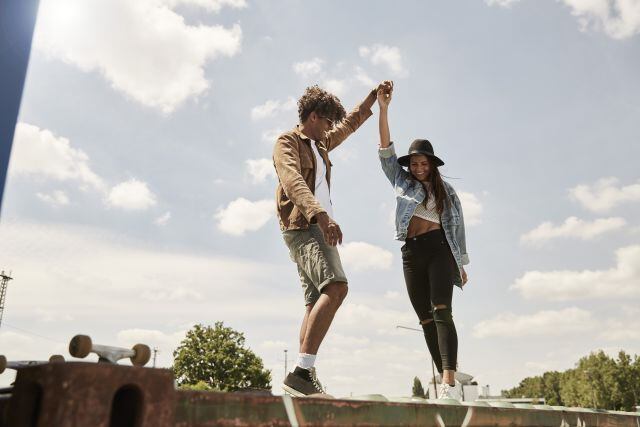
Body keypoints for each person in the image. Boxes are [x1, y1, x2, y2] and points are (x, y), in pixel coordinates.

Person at [274, 81, 391, 396]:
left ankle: (302, 378)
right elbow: (292, 180)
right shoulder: (287, 142)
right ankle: (301, 372)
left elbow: (350, 124)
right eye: (327, 122)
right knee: (337, 286)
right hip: (305, 225)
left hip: (315, 226)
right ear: (313, 116)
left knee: (314, 302)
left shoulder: (322, 143)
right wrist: (321, 216)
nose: (329, 129)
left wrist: (373, 98)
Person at [376, 82, 469, 399]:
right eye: (414, 163)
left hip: (439, 250)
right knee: (426, 319)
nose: (418, 168)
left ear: (432, 164)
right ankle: (444, 383)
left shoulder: (447, 192)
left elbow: (458, 230)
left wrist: (461, 264)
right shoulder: (401, 181)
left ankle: (450, 383)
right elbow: (386, 151)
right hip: (411, 254)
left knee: (442, 311)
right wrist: (384, 109)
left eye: (423, 163)